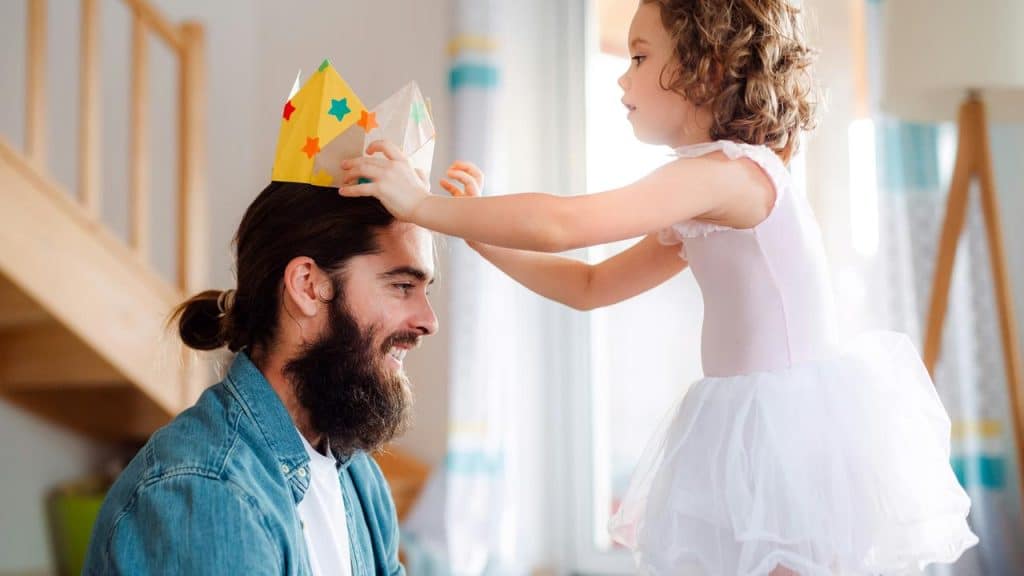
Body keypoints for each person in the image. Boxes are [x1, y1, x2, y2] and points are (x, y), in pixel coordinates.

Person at [336, 0, 978, 573]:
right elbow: (590, 284)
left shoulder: (731, 175)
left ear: (707, 68)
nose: (622, 74)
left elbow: (566, 223)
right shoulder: (704, 190)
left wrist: (423, 207)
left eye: (640, 57)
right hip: (749, 424)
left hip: (785, 433)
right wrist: (482, 237)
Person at [84, 181, 443, 575]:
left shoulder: (357, 475)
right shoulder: (210, 491)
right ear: (308, 285)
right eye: (402, 286)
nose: (428, 321)